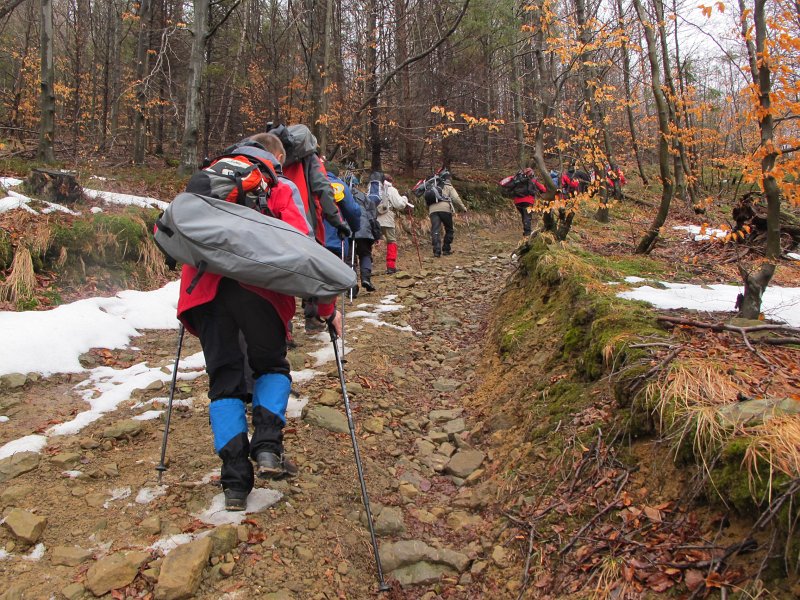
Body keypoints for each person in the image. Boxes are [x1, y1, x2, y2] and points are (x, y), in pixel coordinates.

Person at [177, 132, 342, 511]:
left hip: (204, 294)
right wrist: (325, 308)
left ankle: (234, 484)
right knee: (271, 365)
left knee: (224, 383)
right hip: (261, 293)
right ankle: (267, 446)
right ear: (276, 157)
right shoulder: (279, 185)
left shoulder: (208, 179)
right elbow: (300, 244)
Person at [323, 166, 362, 296]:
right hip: (335, 234)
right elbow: (352, 210)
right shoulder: (339, 185)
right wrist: (355, 227)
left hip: (313, 236)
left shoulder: (308, 181)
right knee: (335, 266)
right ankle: (328, 306)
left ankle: (313, 301)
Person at [347, 174, 381, 292]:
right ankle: (366, 279)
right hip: (364, 230)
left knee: (349, 258)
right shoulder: (364, 197)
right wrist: (376, 235)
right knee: (365, 254)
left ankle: (352, 285)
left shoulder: (341, 195)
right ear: (357, 185)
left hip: (348, 230)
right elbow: (372, 218)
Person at [376, 173, 414, 274]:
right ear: (390, 181)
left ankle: (364, 266)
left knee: (370, 241)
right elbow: (400, 204)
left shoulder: (374, 188)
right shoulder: (391, 189)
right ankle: (391, 267)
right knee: (391, 241)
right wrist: (405, 197)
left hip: (374, 218)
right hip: (387, 218)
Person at [427, 169, 467, 256]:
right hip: (445, 209)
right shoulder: (448, 186)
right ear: (448, 178)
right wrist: (463, 208)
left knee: (435, 230)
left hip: (432, 210)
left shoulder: (432, 185)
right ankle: (446, 249)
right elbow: (455, 198)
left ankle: (437, 251)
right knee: (449, 229)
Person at [501, 168, 546, 237]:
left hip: (517, 202)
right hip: (528, 201)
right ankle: (527, 233)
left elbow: (507, 186)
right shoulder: (533, 180)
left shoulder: (517, 180)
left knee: (524, 216)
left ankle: (526, 231)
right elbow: (543, 189)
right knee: (527, 216)